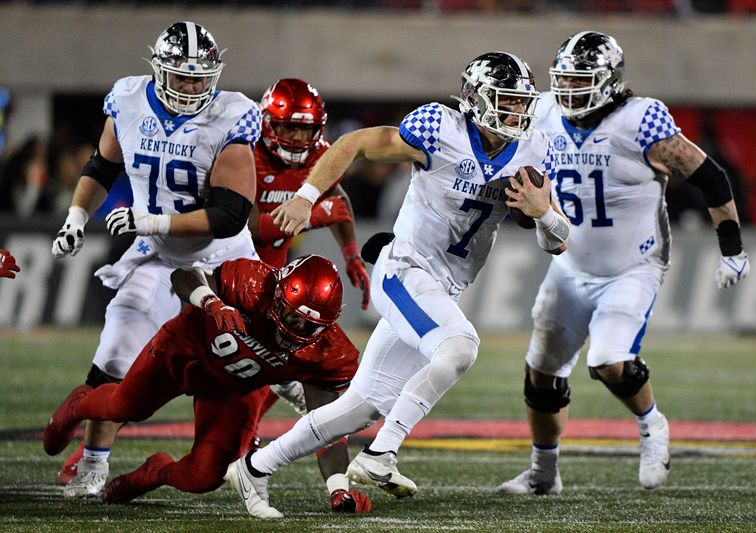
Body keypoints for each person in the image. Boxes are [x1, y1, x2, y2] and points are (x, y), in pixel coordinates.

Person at [225, 51, 570, 518]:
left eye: (521, 102)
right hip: (403, 267)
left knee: (362, 405)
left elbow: (558, 241)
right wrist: (307, 197)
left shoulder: (533, 149)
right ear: (476, 99)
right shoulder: (439, 129)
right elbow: (352, 144)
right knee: (460, 346)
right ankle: (382, 453)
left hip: (443, 286)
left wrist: (542, 211)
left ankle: (255, 467)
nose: (516, 113)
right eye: (506, 101)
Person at [495, 31, 750, 496]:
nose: (569, 90)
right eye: (565, 80)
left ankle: (652, 426)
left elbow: (710, 177)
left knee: (610, 360)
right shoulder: (543, 112)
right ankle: (542, 475)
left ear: (609, 82)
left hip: (635, 264)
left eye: (581, 80)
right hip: (570, 265)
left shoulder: (640, 120)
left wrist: (731, 247)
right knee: (541, 377)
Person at [50, 21, 261, 498]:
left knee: (257, 364)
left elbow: (229, 215)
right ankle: (92, 464)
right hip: (158, 260)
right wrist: (76, 218)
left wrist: (151, 222)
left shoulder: (232, 114)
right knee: (114, 356)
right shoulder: (127, 100)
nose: (191, 87)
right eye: (181, 76)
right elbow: (102, 167)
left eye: (199, 77)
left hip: (225, 263)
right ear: (158, 71)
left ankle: (273, 453)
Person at [43, 255, 371, 515]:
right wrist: (211, 302)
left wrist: (338, 486)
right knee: (123, 407)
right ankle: (77, 405)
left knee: (205, 476)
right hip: (188, 348)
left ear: (328, 325)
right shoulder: (255, 282)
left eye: (306, 325)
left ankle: (155, 471)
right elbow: (183, 275)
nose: (292, 328)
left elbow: (323, 427)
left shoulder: (331, 354)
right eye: (289, 314)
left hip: (233, 389)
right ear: (278, 291)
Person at [248, 78, 370, 419]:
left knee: (290, 347)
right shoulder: (245, 152)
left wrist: (350, 254)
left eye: (307, 130)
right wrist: (314, 216)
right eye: (289, 128)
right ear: (268, 123)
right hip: (228, 267)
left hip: (272, 270)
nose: (300, 139)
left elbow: (337, 199)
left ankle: (258, 420)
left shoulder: (319, 153)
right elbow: (245, 226)